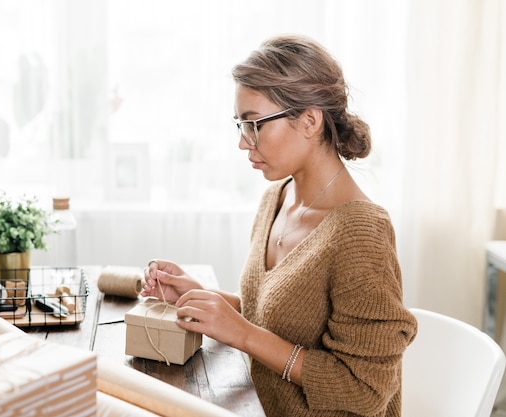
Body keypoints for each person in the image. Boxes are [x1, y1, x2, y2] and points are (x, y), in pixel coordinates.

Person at [142, 34, 417, 417]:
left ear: (309, 120)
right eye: (239, 124)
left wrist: (240, 333)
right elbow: (276, 318)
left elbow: (364, 391)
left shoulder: (362, 235)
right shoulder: (277, 198)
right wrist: (206, 298)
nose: (243, 142)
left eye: (254, 124)